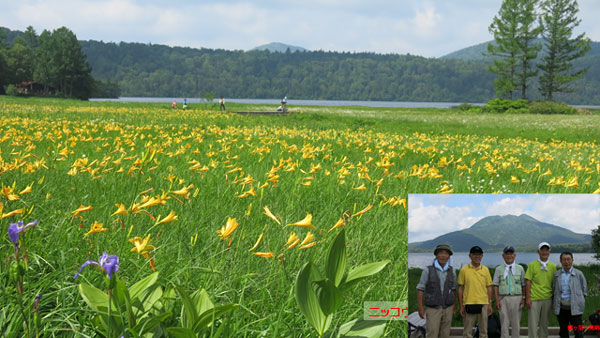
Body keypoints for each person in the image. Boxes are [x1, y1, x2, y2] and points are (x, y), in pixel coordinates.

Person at [416, 244, 457, 338]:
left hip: (448, 308)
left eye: (446, 253)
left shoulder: (452, 271)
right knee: (432, 334)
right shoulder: (427, 270)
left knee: (445, 334)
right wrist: (420, 308)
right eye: (440, 253)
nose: (443, 255)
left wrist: (455, 305)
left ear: (449, 256)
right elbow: (420, 289)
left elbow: (453, 289)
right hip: (433, 309)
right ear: (436, 255)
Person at [458, 246, 493, 338]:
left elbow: (489, 288)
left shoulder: (485, 270)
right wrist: (461, 306)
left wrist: (490, 304)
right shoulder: (464, 270)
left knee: (483, 332)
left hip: (484, 304)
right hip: (469, 304)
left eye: (479, 254)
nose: (477, 256)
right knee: (467, 333)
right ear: (470, 256)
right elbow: (460, 288)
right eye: (474, 254)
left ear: (482, 256)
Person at [525, 242, 557, 338]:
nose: (544, 252)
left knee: (544, 324)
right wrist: (527, 298)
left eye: (546, 250)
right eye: (542, 250)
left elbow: (554, 283)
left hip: (548, 298)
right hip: (534, 299)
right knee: (533, 325)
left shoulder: (553, 266)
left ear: (549, 252)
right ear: (538, 252)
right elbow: (528, 282)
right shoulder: (532, 265)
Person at [492, 246, 525, 338]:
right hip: (503, 298)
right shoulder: (498, 269)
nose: (509, 256)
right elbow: (495, 285)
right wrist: (497, 300)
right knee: (504, 323)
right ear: (503, 256)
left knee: (516, 323)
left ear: (514, 255)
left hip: (517, 298)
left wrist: (523, 298)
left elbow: (523, 285)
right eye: (507, 254)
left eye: (511, 254)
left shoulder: (520, 268)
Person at [553, 252, 587, 338]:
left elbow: (584, 290)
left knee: (578, 332)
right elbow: (554, 289)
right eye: (564, 259)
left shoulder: (579, 274)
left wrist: (579, 301)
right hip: (561, 309)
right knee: (563, 332)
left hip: (575, 308)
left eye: (568, 259)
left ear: (572, 260)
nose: (566, 262)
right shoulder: (557, 275)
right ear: (561, 261)